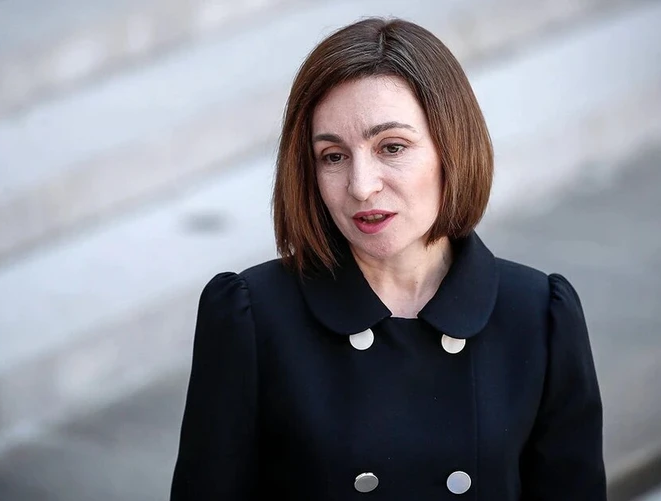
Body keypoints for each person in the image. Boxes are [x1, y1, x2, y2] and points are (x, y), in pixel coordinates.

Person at [170, 17, 606, 500]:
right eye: (333, 156)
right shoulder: (252, 315)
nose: (361, 186)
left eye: (391, 147)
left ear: (452, 148)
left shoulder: (538, 314)